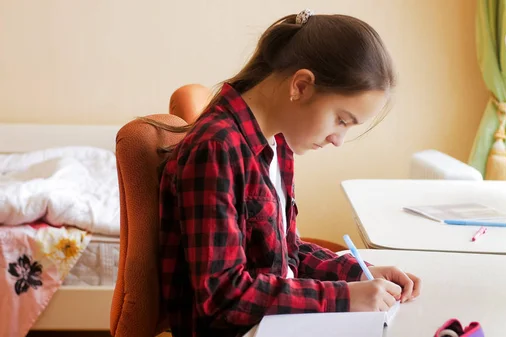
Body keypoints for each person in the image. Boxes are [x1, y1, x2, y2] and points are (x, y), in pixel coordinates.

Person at [156, 9, 421, 337]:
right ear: (301, 86)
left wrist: (357, 272)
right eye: (341, 120)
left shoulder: (277, 143)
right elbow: (223, 298)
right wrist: (343, 296)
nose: (338, 140)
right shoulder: (217, 148)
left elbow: (285, 251)